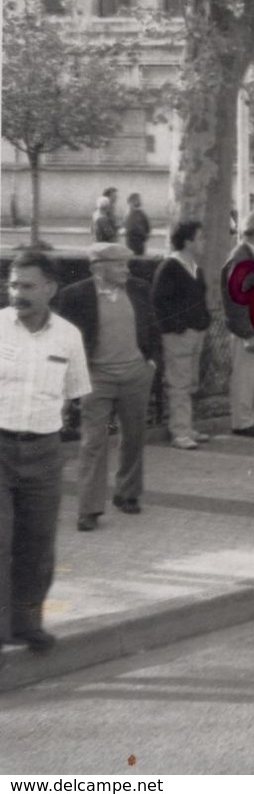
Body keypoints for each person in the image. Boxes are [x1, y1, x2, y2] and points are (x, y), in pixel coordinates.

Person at [1, 251, 92, 655]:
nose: (17, 293)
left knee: (37, 543)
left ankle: (27, 623)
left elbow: (83, 398)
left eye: (27, 286)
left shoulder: (68, 336)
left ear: (51, 289)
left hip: (44, 452)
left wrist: (104, 435)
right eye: (13, 284)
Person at [54, 243, 161, 531]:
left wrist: (151, 361)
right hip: (96, 378)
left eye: (127, 264)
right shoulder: (74, 296)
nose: (126, 269)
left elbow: (152, 326)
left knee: (134, 436)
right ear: (99, 268)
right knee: (93, 441)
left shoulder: (138, 289)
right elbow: (64, 339)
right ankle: (88, 508)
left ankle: (127, 494)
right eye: (119, 264)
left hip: (135, 374)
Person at [150, 220, 213, 451]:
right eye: (199, 238)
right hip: (179, 335)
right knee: (178, 383)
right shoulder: (170, 267)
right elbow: (159, 303)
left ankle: (186, 426)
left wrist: (203, 321)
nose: (203, 242)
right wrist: (177, 327)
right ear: (187, 241)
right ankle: (179, 431)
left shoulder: (194, 267)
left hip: (196, 332)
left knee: (190, 383)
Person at [221, 212, 254, 438]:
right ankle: (242, 421)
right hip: (247, 328)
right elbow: (235, 299)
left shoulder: (249, 254)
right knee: (245, 376)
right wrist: (246, 331)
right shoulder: (242, 257)